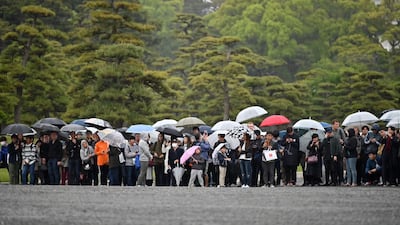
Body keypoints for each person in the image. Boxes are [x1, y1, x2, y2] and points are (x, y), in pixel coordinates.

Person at [332, 120, 345, 185]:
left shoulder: (340, 130)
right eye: (336, 124)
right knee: (333, 167)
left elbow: (344, 139)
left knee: (340, 166)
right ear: (333, 125)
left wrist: (342, 142)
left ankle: (341, 180)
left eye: (338, 124)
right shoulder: (330, 131)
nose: (337, 126)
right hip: (332, 150)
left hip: (339, 150)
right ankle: (334, 180)